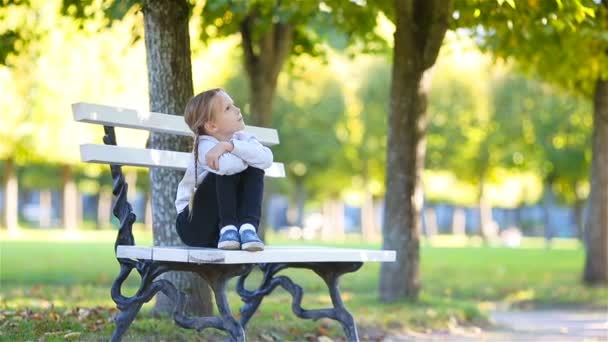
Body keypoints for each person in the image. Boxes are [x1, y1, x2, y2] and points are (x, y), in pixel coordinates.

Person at [174, 88, 273, 251]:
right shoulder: (204, 146)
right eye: (228, 108)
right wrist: (245, 154)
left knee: (256, 166)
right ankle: (229, 228)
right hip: (194, 225)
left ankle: (248, 228)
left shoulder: (243, 138)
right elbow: (227, 166)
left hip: (222, 232)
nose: (237, 110)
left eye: (233, 105)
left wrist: (228, 146)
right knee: (224, 168)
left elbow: (266, 159)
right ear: (212, 126)